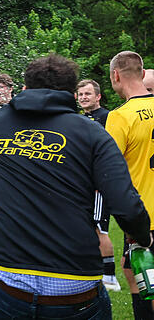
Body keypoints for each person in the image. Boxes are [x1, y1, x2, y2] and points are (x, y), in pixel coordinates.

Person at [0, 53, 151, 320]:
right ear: (73, 94)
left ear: (24, 88)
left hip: (7, 282)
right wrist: (142, 236)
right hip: (74, 284)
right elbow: (126, 205)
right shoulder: (92, 133)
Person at [105, 51, 154, 319]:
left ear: (115, 76)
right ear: (144, 73)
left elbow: (108, 168)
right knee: (129, 267)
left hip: (143, 216)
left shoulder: (120, 117)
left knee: (145, 284)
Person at [75, 79, 120, 292]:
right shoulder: (80, 119)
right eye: (80, 94)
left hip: (99, 185)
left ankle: (110, 277)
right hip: (82, 184)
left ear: (98, 96)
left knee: (100, 228)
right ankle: (91, 270)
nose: (83, 97)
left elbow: (110, 153)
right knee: (85, 228)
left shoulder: (109, 118)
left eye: (88, 94)